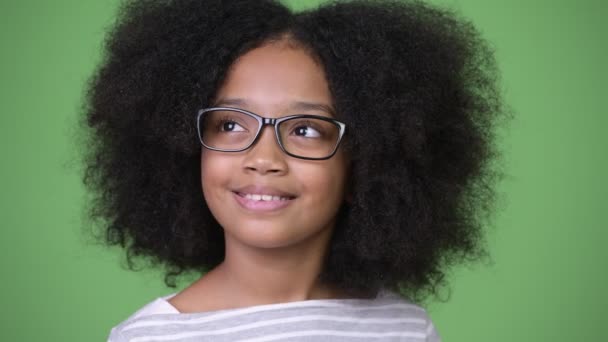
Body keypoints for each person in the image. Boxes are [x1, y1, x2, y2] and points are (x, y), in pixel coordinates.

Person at [82, 0, 504, 340]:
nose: (263, 158)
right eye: (230, 125)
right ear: (185, 151)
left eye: (305, 129)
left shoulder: (405, 330)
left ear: (367, 165)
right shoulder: (152, 338)